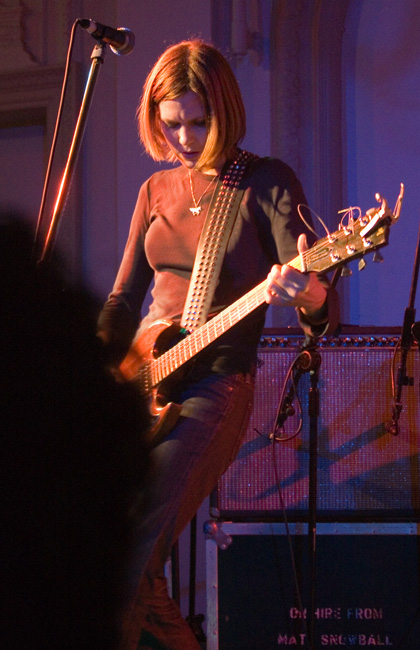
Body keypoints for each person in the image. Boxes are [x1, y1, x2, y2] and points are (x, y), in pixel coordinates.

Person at [97, 39, 339, 650]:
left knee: (128, 560)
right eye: (171, 123)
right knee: (127, 567)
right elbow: (123, 302)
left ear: (224, 111)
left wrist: (309, 293)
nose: (185, 137)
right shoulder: (155, 190)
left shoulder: (265, 181)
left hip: (216, 385)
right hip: (141, 380)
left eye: (199, 122)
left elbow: (323, 310)